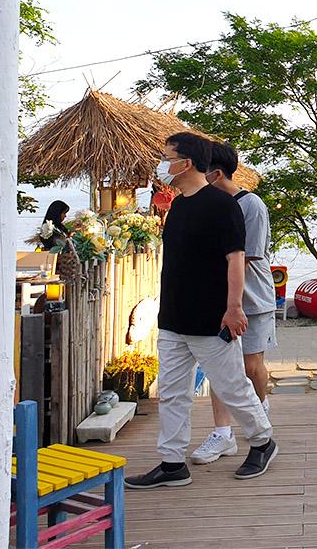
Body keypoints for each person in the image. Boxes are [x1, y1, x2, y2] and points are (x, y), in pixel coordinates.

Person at [125, 132, 276, 490]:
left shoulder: (223, 206)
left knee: (232, 386)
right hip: (174, 318)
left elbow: (236, 260)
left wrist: (234, 308)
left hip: (211, 318)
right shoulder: (178, 205)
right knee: (173, 392)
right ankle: (172, 462)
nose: (162, 164)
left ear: (186, 163)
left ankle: (262, 441)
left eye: (167, 156)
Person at [190, 140, 275, 465]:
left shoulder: (250, 205)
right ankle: (222, 434)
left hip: (252, 299)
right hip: (218, 300)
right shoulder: (206, 203)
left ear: (216, 173)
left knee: (252, 366)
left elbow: (247, 257)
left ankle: (260, 413)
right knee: (219, 368)